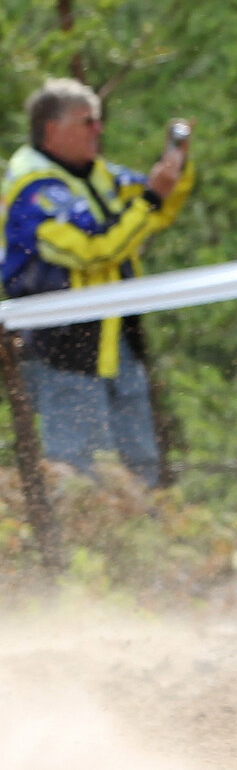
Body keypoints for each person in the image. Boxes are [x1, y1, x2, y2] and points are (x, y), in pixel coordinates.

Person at [1, 79, 193, 486]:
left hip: (115, 333)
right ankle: (78, 527)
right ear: (52, 129)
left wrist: (174, 169)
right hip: (61, 344)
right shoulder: (33, 189)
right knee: (75, 466)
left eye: (98, 120)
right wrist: (150, 200)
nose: (98, 129)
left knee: (140, 458)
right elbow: (95, 248)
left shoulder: (97, 173)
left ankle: (149, 522)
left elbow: (155, 210)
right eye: (87, 121)